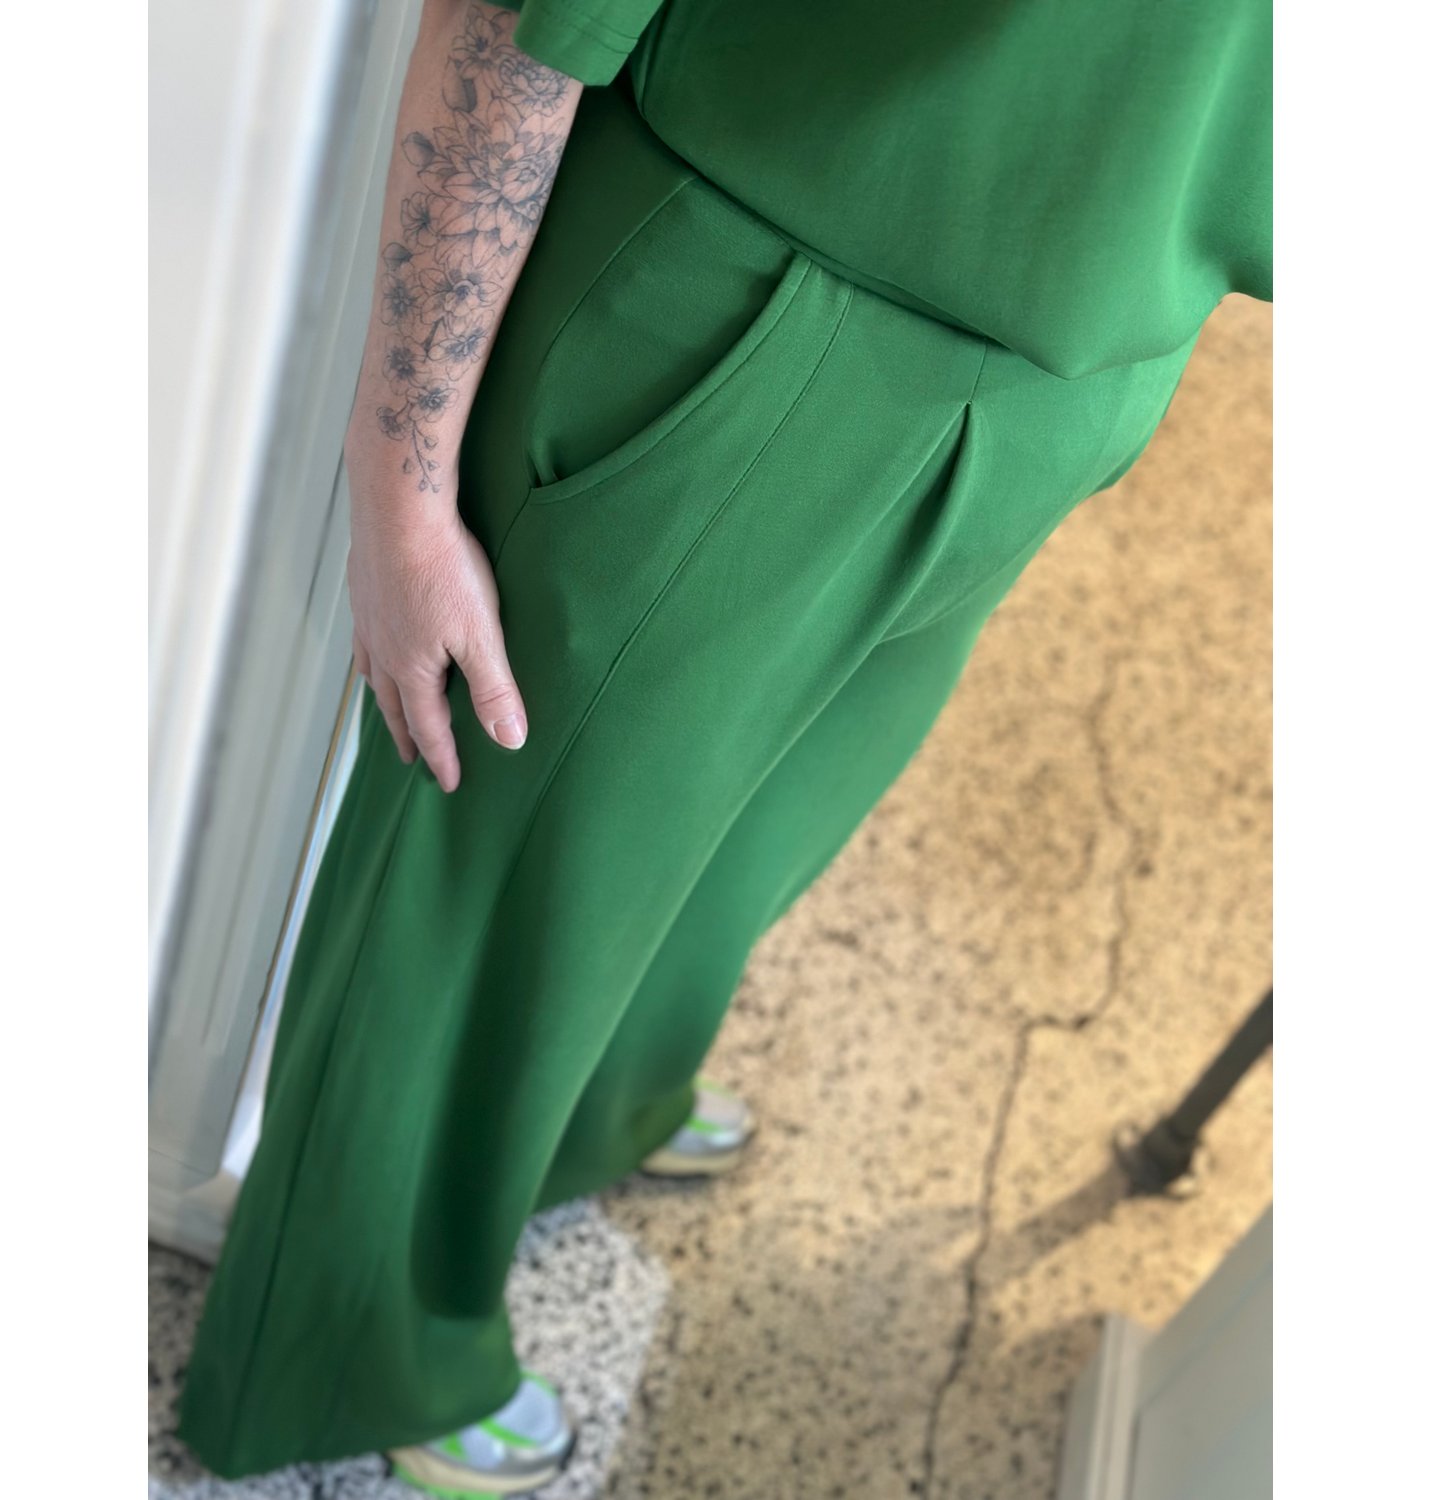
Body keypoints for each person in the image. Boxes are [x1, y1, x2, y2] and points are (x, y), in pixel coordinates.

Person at [176, 0, 1271, 1491]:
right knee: (492, 899)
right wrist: (401, 475)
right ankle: (342, 1358)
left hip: (1094, 337)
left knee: (747, 838)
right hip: (754, 285)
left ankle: (597, 1111)